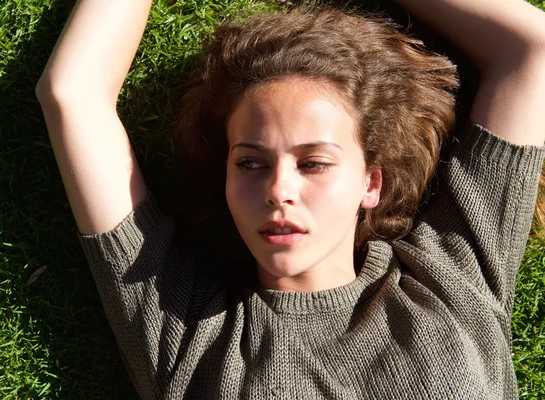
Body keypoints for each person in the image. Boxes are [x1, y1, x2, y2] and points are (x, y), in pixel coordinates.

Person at [36, 0, 545, 398]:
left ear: (371, 183)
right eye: (251, 163)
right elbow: (71, 94)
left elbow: (532, 51)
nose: (279, 190)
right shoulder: (185, 333)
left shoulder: (451, 276)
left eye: (314, 163)